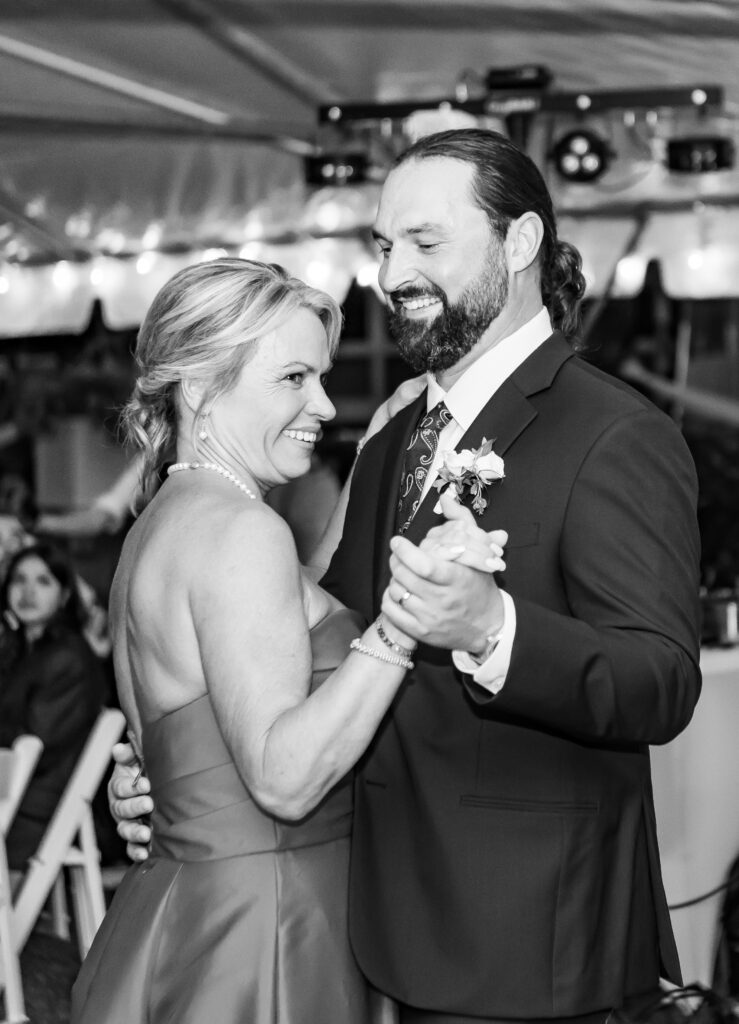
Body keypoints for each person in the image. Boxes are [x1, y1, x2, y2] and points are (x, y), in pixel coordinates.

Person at [112, 129, 702, 1024]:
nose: (392, 274)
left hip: (524, 939)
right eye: (385, 247)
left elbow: (659, 682)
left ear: (518, 244)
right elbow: (313, 637)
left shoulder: (613, 434)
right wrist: (179, 767)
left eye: (425, 243)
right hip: (371, 920)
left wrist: (493, 631)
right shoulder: (393, 439)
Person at [70, 257, 499, 1024]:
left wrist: (373, 456)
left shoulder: (169, 521)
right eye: (294, 378)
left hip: (192, 906)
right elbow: (282, 779)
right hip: (267, 923)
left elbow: (289, 614)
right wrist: (408, 615)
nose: (325, 403)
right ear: (201, 387)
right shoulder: (241, 533)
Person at [0, 542, 105, 872]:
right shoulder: (20, 651)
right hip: (13, 797)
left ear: (63, 596)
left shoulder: (66, 657)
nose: (28, 592)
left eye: (43, 581)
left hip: (35, 809)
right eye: (19, 579)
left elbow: (33, 746)